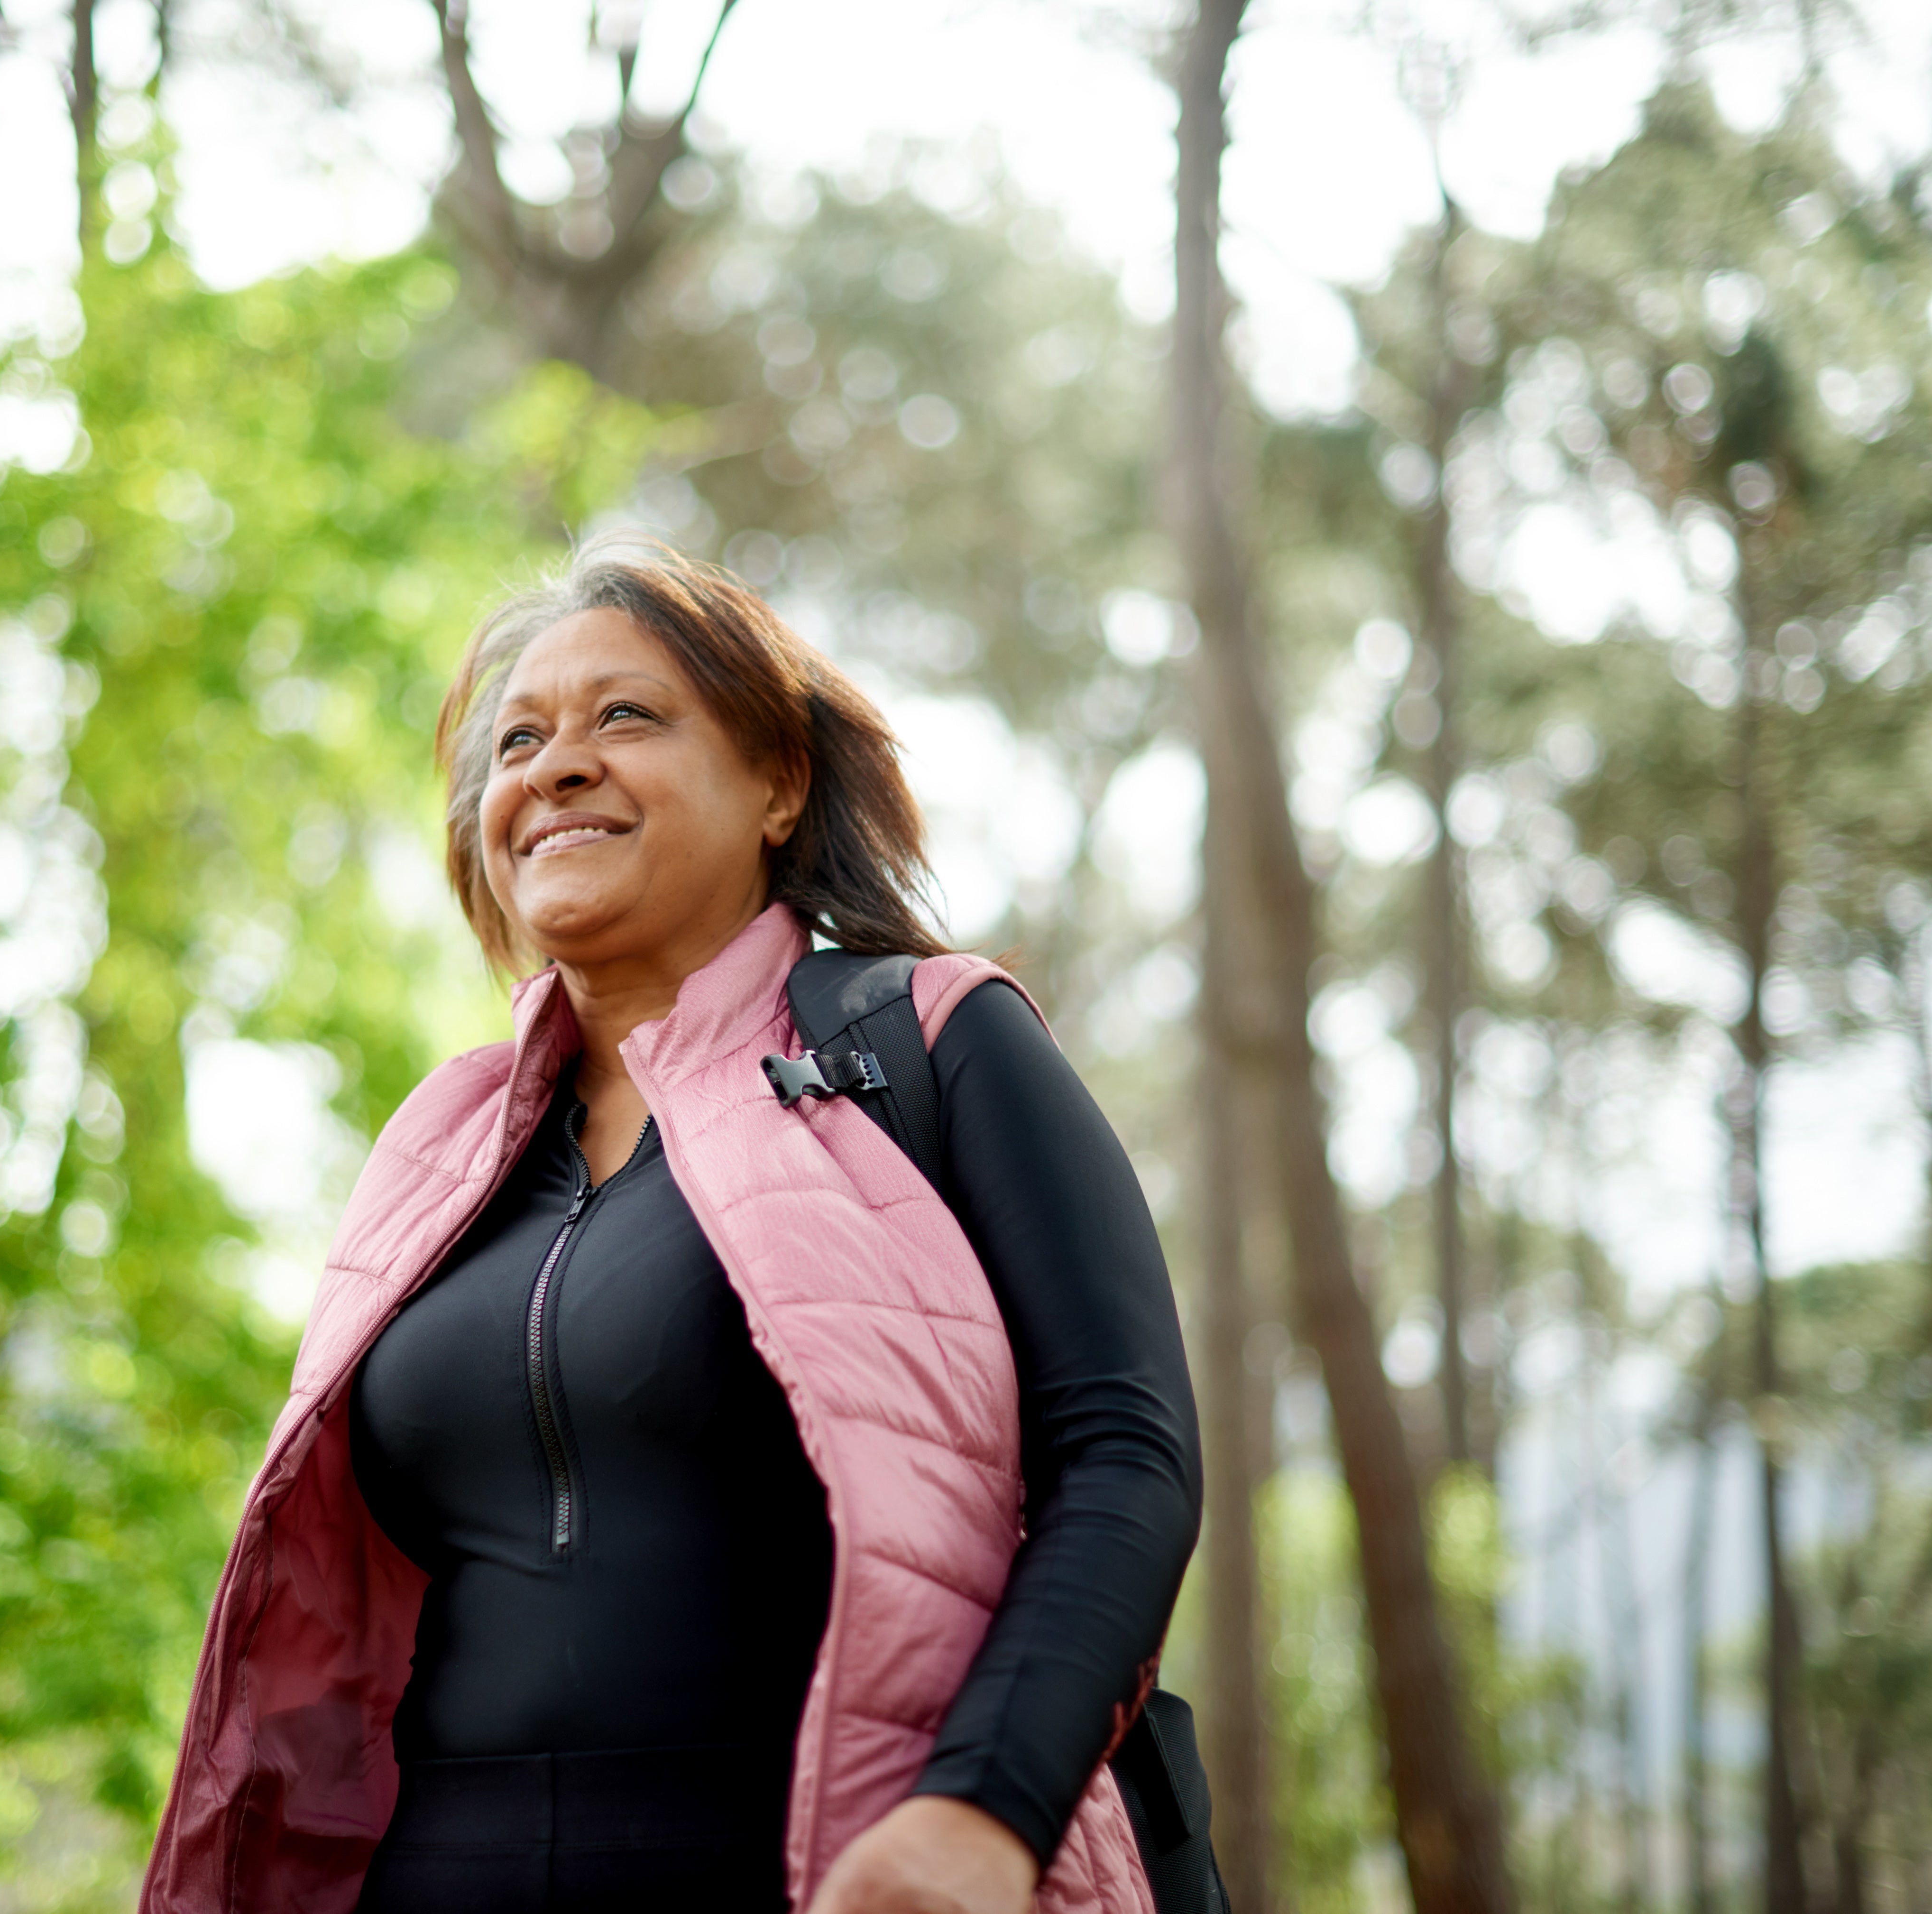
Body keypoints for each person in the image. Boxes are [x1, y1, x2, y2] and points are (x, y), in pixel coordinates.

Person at [140, 541, 1200, 1914]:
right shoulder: (441, 1147)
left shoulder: (930, 1041)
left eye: (624, 716)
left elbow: (1126, 1458)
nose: (556, 766)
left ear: (777, 783)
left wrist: (983, 1812)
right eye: (519, 740)